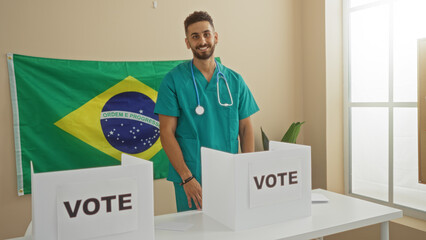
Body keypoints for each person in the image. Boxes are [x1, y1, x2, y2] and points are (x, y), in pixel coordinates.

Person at [154, 11, 259, 212]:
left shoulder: (234, 81)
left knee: (230, 229)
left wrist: (247, 171)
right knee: (195, 231)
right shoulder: (173, 81)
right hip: (192, 177)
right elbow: (166, 133)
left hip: (229, 175)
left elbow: (245, 128)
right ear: (187, 43)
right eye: (195, 36)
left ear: (215, 37)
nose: (202, 41)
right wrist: (187, 178)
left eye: (206, 34)